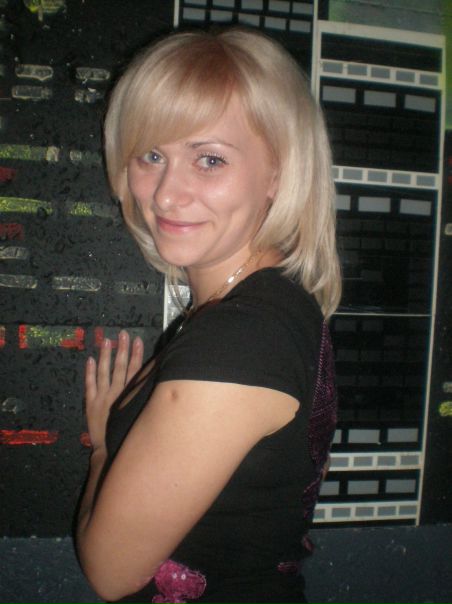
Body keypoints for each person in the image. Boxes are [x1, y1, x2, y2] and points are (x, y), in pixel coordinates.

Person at [76, 27, 341, 604]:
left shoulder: (239, 336)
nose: (166, 194)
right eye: (152, 155)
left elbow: (109, 572)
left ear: (279, 171)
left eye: (210, 159)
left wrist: (103, 449)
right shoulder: (262, 309)